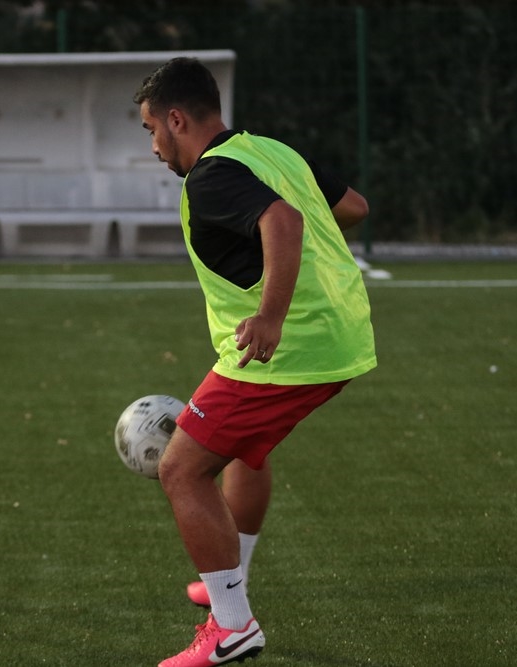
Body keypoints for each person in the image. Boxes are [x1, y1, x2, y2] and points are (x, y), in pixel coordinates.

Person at [133, 57, 377, 667]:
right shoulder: (272, 151)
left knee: (181, 469)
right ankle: (230, 578)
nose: (154, 146)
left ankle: (232, 625)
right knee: (243, 450)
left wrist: (270, 314)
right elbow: (353, 208)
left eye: (151, 129)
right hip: (338, 334)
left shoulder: (211, 176)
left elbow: (283, 221)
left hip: (287, 347)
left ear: (177, 119)